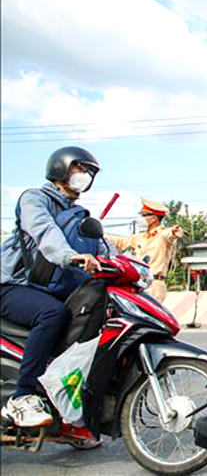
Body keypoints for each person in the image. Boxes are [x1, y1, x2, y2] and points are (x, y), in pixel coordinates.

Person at [1, 147, 109, 428]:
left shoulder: (79, 213)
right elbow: (44, 231)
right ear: (61, 168)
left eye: (89, 173)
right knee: (52, 314)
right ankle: (22, 396)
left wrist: (123, 265)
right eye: (80, 170)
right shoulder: (35, 199)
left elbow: (101, 248)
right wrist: (69, 255)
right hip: (11, 284)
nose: (84, 177)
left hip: (46, 289)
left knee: (89, 320)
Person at [106, 198, 183, 302]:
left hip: (154, 284)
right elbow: (121, 242)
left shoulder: (162, 235)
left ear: (154, 217)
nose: (141, 218)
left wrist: (174, 231)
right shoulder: (140, 237)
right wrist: (101, 234)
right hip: (139, 282)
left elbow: (170, 234)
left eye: (145, 215)